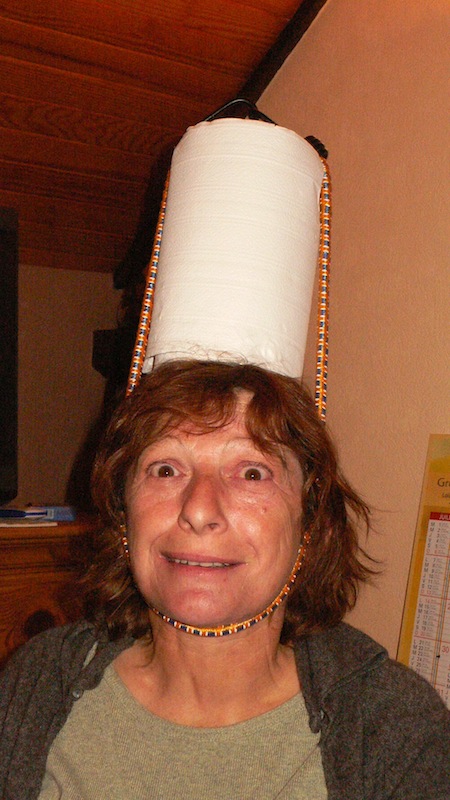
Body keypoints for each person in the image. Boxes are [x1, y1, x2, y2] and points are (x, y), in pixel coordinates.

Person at [1, 360, 449, 800]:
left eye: (252, 473)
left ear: (310, 523)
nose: (199, 510)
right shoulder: (39, 681)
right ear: (124, 513)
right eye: (166, 469)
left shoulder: (396, 727)